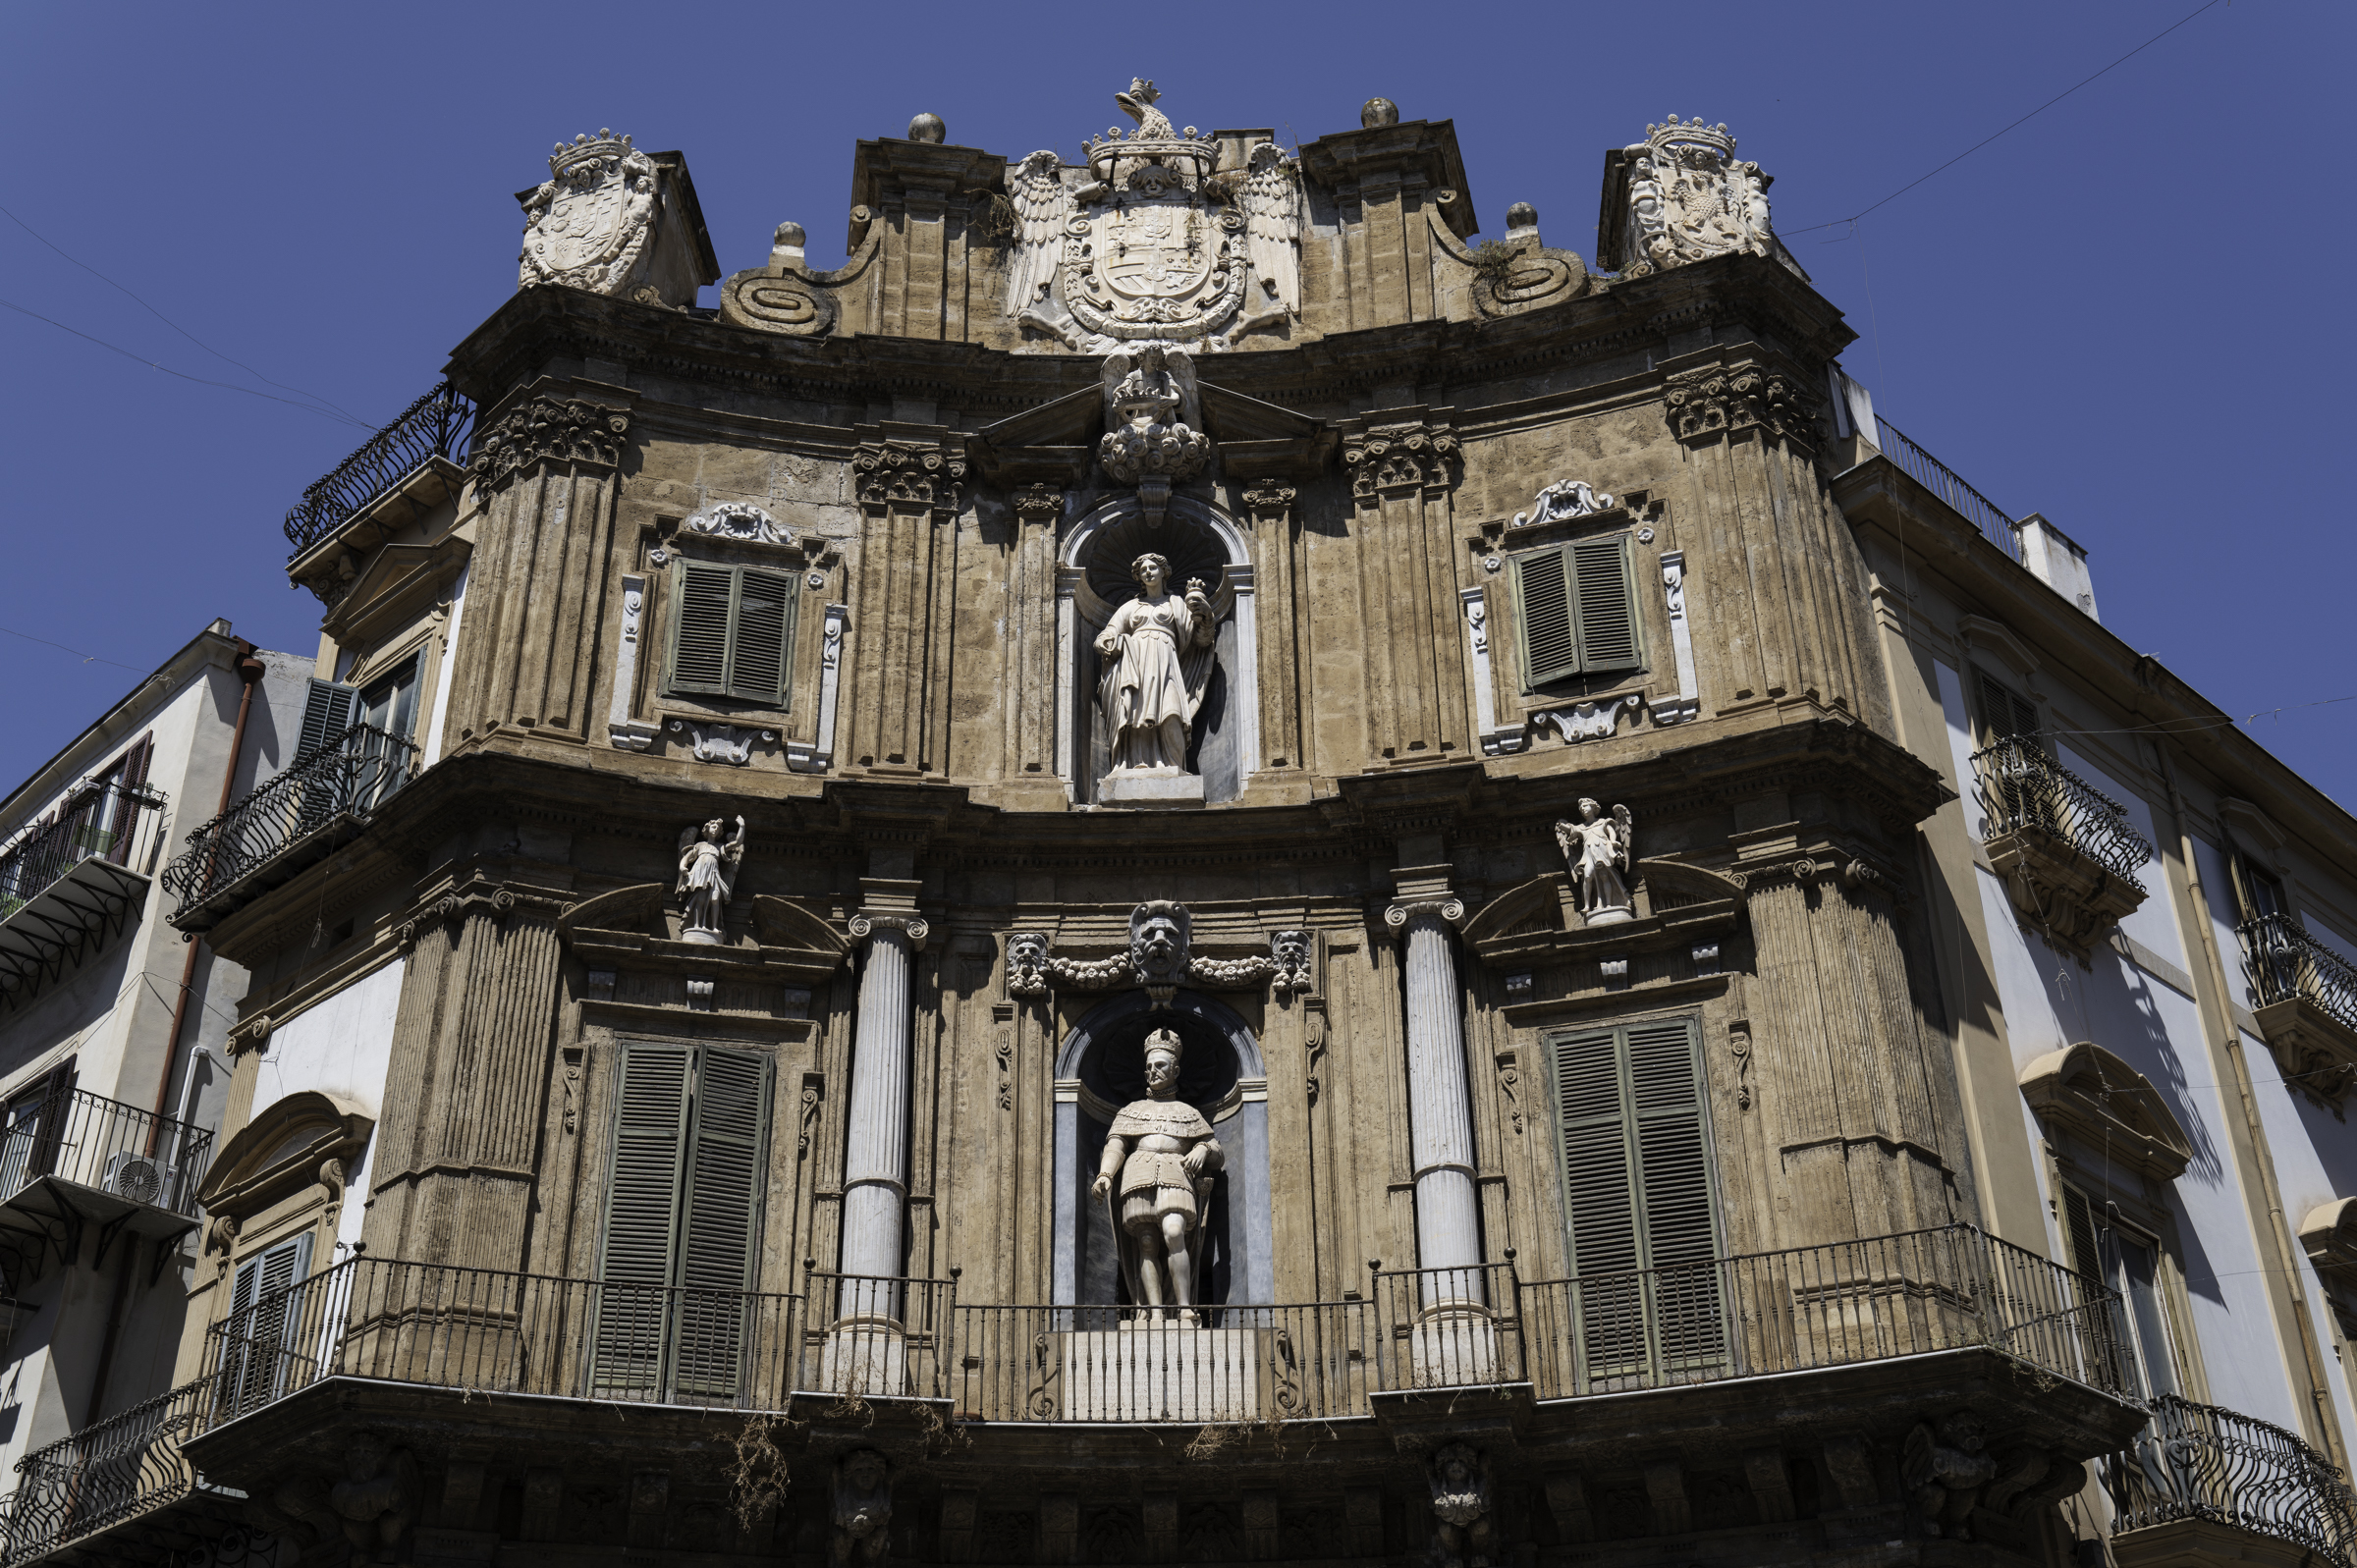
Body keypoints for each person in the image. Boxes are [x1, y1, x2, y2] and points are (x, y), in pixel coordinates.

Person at [1092, 1029, 1223, 1320]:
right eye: (1149, 1067)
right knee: (1147, 1243)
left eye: (1160, 1066)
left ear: (1175, 1070)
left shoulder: (1188, 1112)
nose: (1153, 1071)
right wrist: (1105, 1174)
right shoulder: (1131, 1111)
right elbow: (1116, 1144)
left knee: (1174, 1232)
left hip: (1178, 1177)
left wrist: (1203, 1148)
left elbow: (1216, 1150)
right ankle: (1154, 1311)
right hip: (1137, 1178)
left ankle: (1185, 1307)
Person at [1094, 553, 1215, 775]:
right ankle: (1136, 763)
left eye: (1152, 568)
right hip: (1136, 665)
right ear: (1139, 577)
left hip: (1167, 664)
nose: (1148, 572)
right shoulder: (1131, 607)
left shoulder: (1176, 604)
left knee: (1172, 714)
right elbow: (1109, 632)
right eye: (1143, 570)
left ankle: (1173, 766)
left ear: (1163, 572)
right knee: (1136, 714)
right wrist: (1105, 642)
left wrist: (1206, 616)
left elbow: (1201, 640)